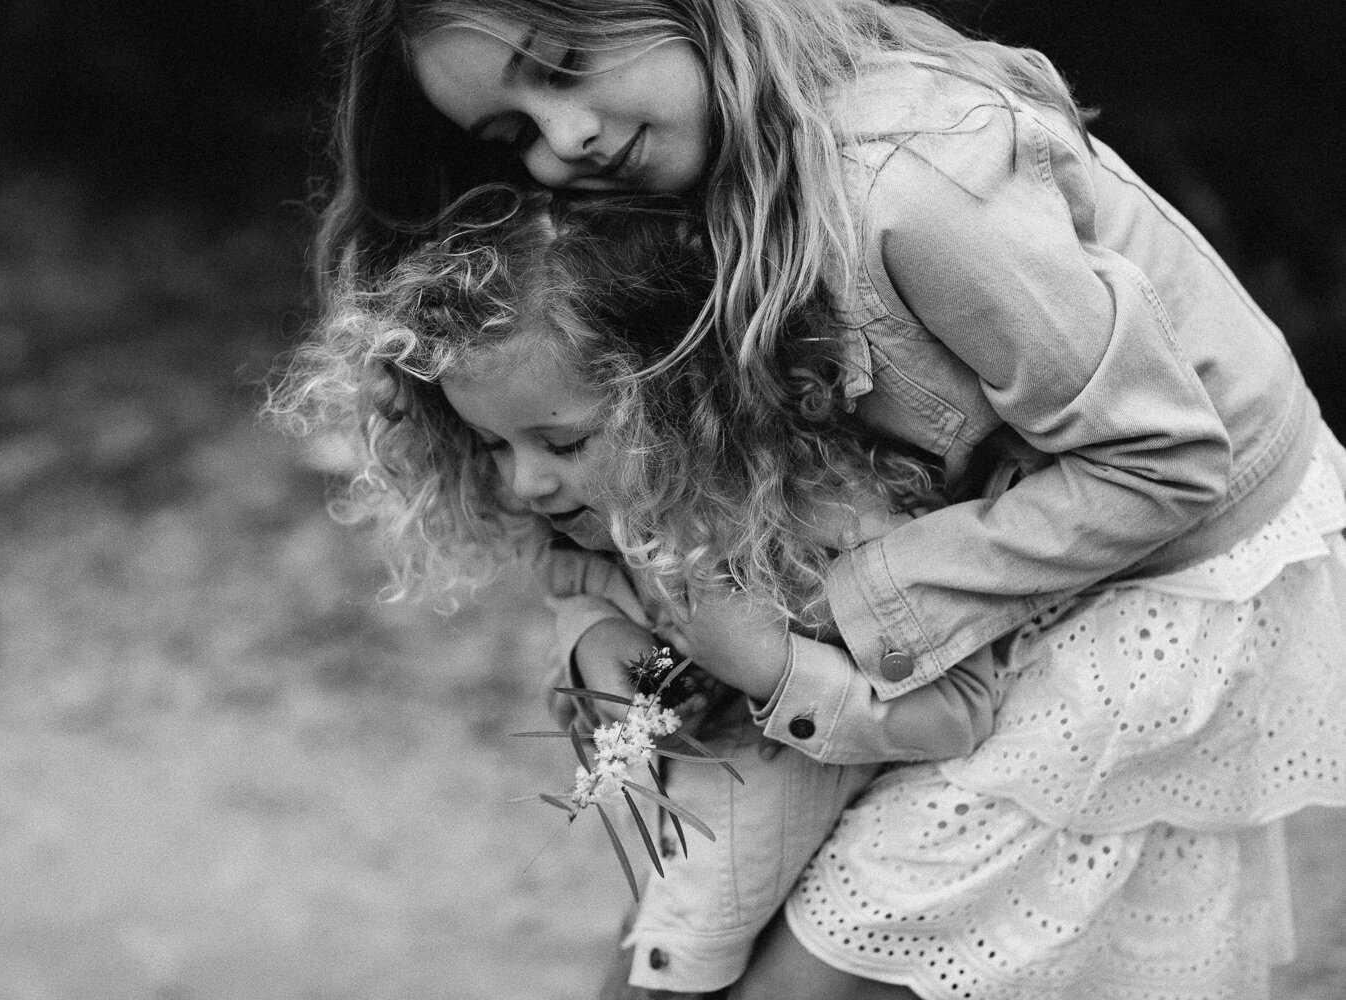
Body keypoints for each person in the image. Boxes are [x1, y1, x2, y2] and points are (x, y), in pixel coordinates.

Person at [314, 2, 1346, 996]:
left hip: (1181, 564)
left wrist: (814, 620)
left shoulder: (914, 179)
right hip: (978, 541)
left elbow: (1162, 461)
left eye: (565, 64)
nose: (565, 139)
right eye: (511, 128)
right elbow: (596, 468)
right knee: (698, 925)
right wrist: (590, 626)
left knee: (838, 951)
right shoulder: (650, 185)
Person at [271, 183, 1008, 997]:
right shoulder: (606, 514)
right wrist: (597, 646)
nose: (525, 483)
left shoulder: (842, 520)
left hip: (859, 859)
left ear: (678, 393)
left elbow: (963, 714)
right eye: (490, 445)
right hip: (702, 865)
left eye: (562, 441)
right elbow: (601, 608)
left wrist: (774, 670)